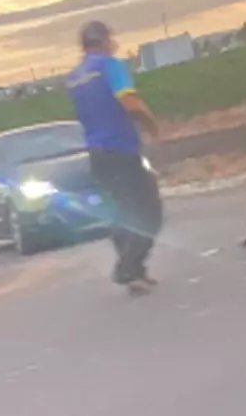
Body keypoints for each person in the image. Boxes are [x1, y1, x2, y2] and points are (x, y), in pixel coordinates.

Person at [66, 21, 163, 294]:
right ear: (105, 40)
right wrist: (151, 124)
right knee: (149, 211)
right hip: (120, 149)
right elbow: (129, 102)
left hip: (97, 153)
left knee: (123, 210)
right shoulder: (109, 66)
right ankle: (128, 268)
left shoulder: (74, 77)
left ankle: (135, 272)